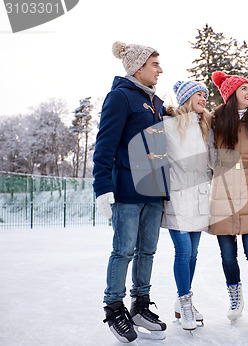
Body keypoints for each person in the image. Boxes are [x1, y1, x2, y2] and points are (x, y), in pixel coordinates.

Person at [93, 41, 168, 343]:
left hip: (154, 190)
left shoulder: (157, 103)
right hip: (127, 189)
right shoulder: (120, 98)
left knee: (147, 250)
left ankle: (140, 305)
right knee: (124, 250)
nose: (160, 69)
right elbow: (105, 145)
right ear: (138, 68)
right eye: (154, 64)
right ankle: (114, 308)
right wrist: (102, 187)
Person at [209, 71, 248, 330]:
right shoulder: (216, 120)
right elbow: (207, 151)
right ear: (231, 94)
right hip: (223, 186)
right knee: (226, 254)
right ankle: (235, 298)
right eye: (243, 88)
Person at [160, 80, 212, 331]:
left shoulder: (205, 126)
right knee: (182, 251)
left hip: (200, 197)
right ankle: (185, 302)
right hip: (178, 197)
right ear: (186, 98)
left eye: (205, 95)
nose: (204, 98)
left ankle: (183, 303)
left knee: (193, 253)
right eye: (199, 94)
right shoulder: (168, 125)